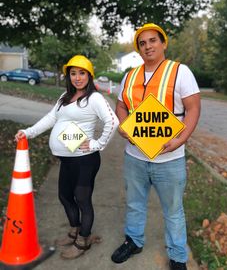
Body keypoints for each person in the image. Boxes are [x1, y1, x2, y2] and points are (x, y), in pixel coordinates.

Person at [111, 23, 201, 270]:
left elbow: (193, 108)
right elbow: (121, 106)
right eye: (142, 43)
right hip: (135, 157)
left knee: (173, 211)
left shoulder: (180, 72)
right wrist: (124, 125)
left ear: (163, 43)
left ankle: (177, 257)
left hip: (170, 160)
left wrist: (180, 140)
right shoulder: (129, 76)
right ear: (138, 49)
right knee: (134, 203)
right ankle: (134, 241)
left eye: (152, 41)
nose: (148, 46)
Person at [15, 55, 119, 260]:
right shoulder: (65, 97)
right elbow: (50, 118)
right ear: (68, 76)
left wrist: (98, 144)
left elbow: (113, 121)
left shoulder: (94, 98)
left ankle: (83, 241)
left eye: (82, 73)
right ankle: (75, 231)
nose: (77, 78)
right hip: (67, 159)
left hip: (85, 160)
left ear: (89, 75)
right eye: (73, 73)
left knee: (82, 199)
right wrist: (28, 132)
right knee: (64, 196)